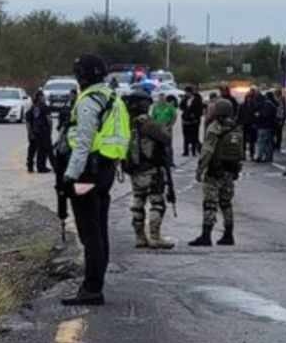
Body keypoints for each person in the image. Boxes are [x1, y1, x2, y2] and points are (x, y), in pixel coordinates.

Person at [55, 54, 128, 305]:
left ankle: (92, 287)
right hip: (105, 170)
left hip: (87, 172)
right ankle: (95, 283)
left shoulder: (89, 102)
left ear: (81, 77)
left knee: (89, 232)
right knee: (99, 228)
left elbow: (83, 143)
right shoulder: (112, 97)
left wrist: (69, 176)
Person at [125, 89, 174, 249]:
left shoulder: (127, 123)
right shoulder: (148, 124)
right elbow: (166, 138)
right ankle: (155, 236)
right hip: (151, 169)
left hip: (134, 169)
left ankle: (139, 237)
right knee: (157, 202)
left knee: (138, 202)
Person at [190, 99, 242, 247]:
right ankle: (228, 234)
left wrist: (200, 169)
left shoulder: (214, 127)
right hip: (230, 170)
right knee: (226, 203)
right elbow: (239, 151)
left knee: (210, 203)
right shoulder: (236, 127)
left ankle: (206, 235)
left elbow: (207, 150)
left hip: (215, 170)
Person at [25, 90, 53, 173]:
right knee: (46, 150)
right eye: (43, 96)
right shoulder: (44, 107)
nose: (44, 98)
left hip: (34, 131)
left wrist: (30, 133)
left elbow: (28, 123)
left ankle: (30, 166)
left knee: (32, 150)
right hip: (43, 131)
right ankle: (45, 167)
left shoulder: (32, 108)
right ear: (40, 97)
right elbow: (49, 120)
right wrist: (50, 130)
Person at [180, 85, 205, 156]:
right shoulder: (185, 99)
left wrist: (195, 115)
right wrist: (183, 99)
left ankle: (194, 151)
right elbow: (181, 107)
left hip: (194, 121)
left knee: (194, 136)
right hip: (186, 120)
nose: (186, 94)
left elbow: (200, 110)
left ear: (190, 92)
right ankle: (186, 151)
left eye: (187, 92)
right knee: (186, 136)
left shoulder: (197, 99)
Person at [237, 87, 259, 161]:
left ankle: (251, 154)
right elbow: (239, 115)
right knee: (243, 141)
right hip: (244, 124)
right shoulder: (242, 106)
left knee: (252, 141)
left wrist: (255, 122)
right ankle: (243, 155)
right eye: (248, 98)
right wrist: (239, 123)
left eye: (250, 98)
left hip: (251, 124)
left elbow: (256, 115)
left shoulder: (255, 105)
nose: (249, 99)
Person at [255, 91, 278, 162]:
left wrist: (258, 115)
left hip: (263, 126)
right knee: (268, 142)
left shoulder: (266, 105)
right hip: (270, 126)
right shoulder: (273, 104)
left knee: (262, 142)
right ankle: (268, 156)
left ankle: (260, 156)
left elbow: (264, 115)